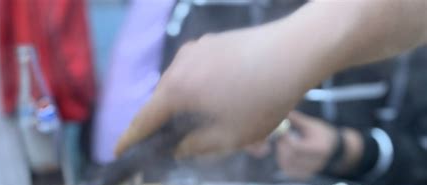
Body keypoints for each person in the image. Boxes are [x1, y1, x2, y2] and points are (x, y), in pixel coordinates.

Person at [115, 0, 427, 164]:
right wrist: (202, 150)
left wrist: (344, 149)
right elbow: (177, 120)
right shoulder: (204, 8)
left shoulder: (407, 36)